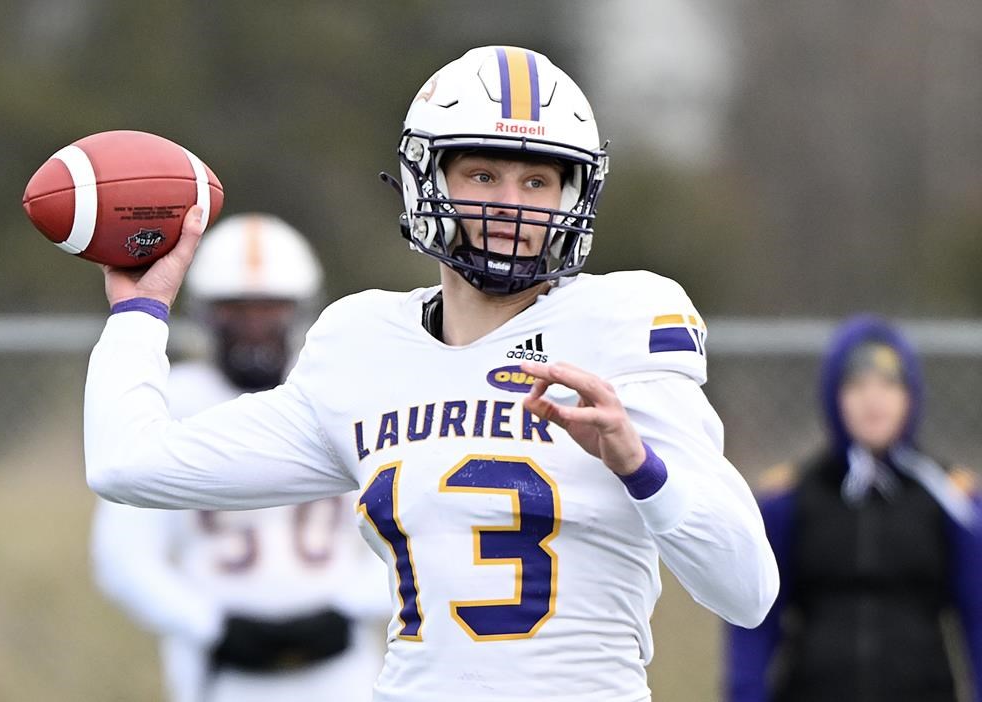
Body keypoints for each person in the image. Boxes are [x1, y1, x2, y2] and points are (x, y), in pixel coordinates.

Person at [84, 46, 779, 702]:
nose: (512, 204)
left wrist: (640, 466)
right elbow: (128, 464)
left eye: (537, 180)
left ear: (573, 196)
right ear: (427, 179)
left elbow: (747, 592)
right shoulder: (363, 347)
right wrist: (141, 310)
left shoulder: (622, 323)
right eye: (484, 175)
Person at [90, 214, 389, 702]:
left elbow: (408, 521)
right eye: (236, 309)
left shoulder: (338, 393)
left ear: (297, 311)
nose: (254, 326)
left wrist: (350, 609)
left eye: (269, 308)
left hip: (343, 668)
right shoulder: (168, 399)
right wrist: (211, 627)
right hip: (221, 672)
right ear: (208, 313)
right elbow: (124, 559)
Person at [724, 315, 982, 702]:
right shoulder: (788, 499)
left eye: (888, 384)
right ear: (833, 395)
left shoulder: (954, 502)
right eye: (856, 385)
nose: (872, 400)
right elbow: (753, 626)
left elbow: (977, 618)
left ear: (910, 395)